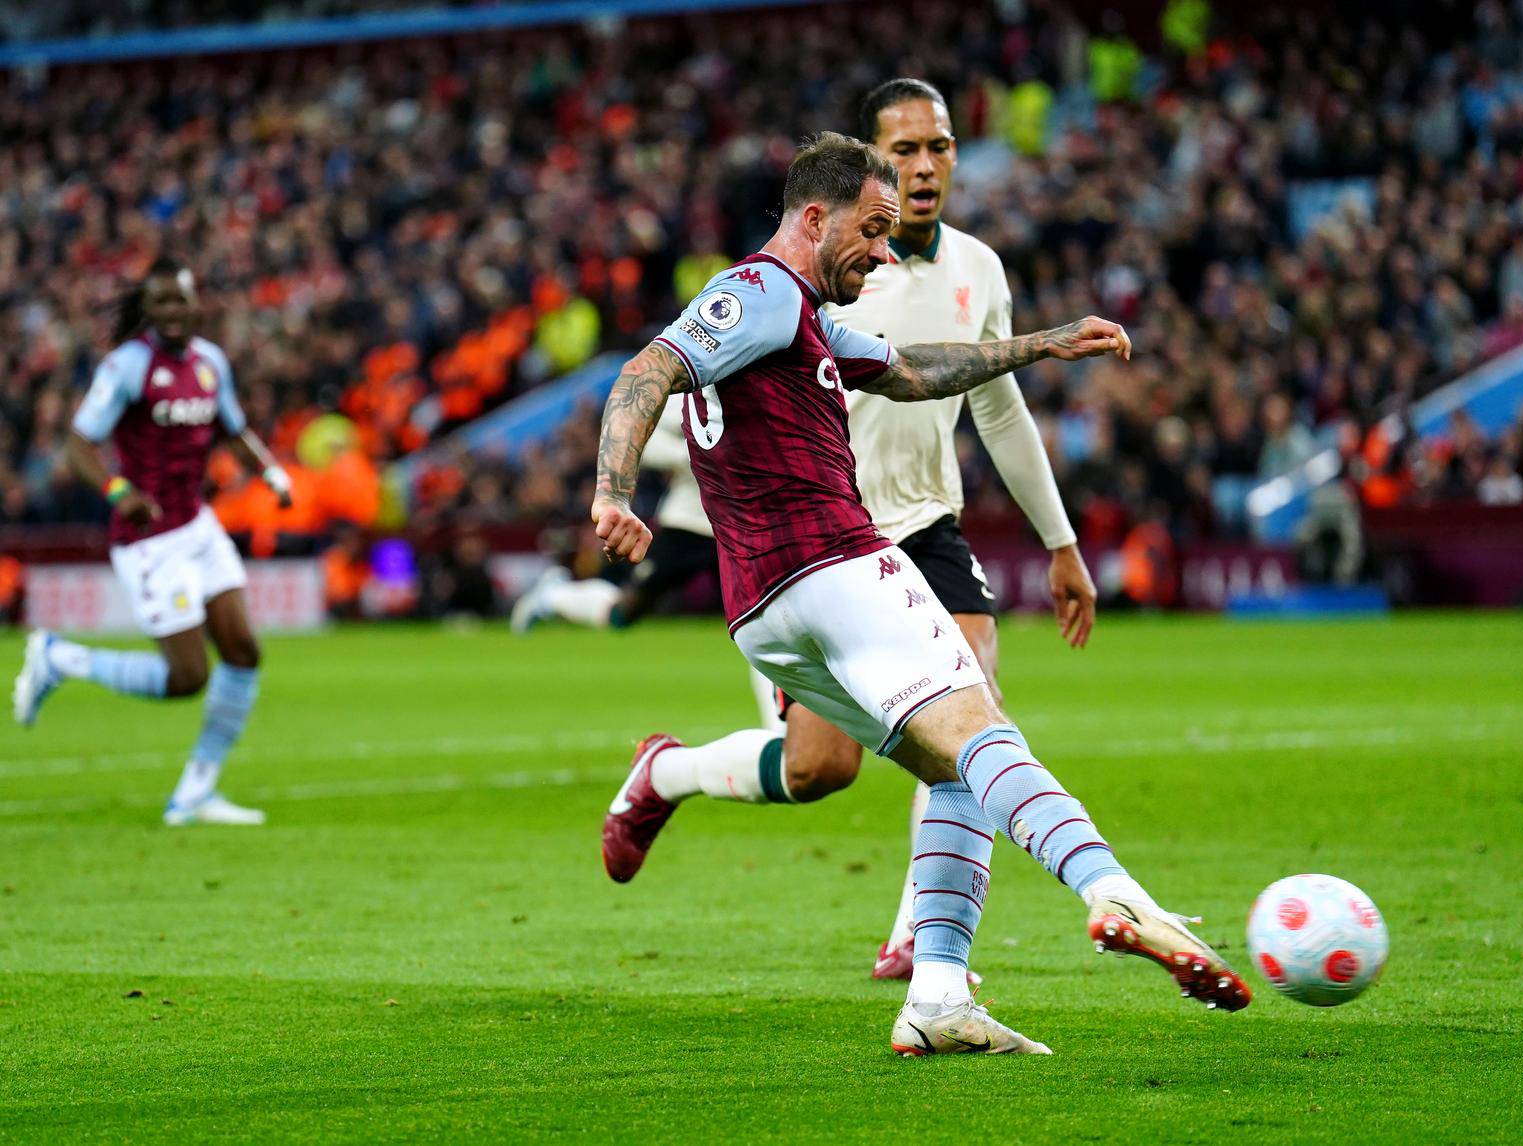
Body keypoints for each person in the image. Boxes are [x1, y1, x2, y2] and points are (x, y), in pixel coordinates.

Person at [595, 132, 1248, 1055]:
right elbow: (646, 370)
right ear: (814, 218)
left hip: (763, 614)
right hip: (834, 566)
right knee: (984, 731)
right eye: (871, 229)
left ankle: (938, 996)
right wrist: (612, 495)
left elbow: (906, 371)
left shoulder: (806, 318)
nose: (885, 251)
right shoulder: (761, 292)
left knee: (946, 769)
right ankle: (1120, 895)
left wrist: (1038, 344)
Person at [602, 79, 1100, 987]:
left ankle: (923, 940)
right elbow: (661, 369)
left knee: (972, 720)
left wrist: (1059, 525)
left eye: (939, 147)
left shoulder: (972, 272)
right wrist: (615, 487)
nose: (921, 169)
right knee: (817, 771)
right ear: (856, 180)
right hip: (808, 548)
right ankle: (664, 774)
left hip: (918, 528)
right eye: (901, 152)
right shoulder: (779, 286)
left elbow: (962, 392)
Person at [11, 258, 292, 826]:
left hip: (197, 525)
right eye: (159, 303)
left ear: (194, 305)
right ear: (147, 309)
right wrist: (119, 492)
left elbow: (233, 429)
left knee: (244, 650)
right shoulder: (126, 367)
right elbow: (79, 445)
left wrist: (269, 473)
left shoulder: (211, 363)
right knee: (187, 678)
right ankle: (60, 658)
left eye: (179, 301)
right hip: (148, 540)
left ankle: (195, 791)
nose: (170, 312)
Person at [509, 393, 723, 635]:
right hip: (689, 521)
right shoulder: (687, 397)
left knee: (759, 609)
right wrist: (691, 456)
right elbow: (642, 440)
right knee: (625, 610)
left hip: (744, 520)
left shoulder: (760, 383)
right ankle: (555, 596)